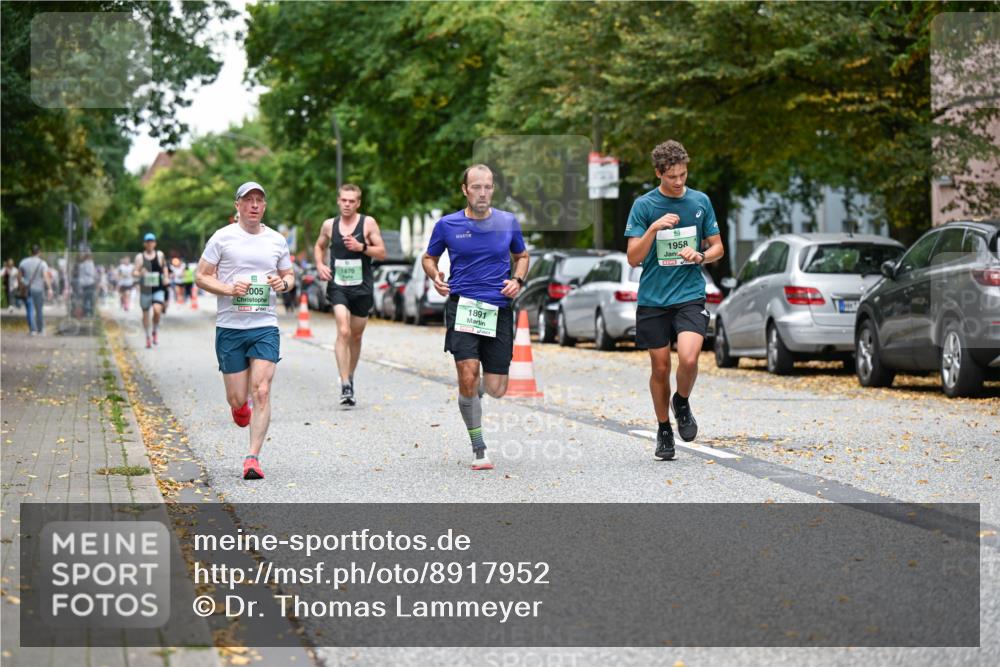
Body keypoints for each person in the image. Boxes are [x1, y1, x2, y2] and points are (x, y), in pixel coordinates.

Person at [423, 164, 529, 471]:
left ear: (493, 189)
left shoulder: (508, 222)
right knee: (467, 373)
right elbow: (428, 257)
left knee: (496, 388)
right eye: (477, 187)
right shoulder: (447, 224)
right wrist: (435, 276)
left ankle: (475, 392)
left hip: (498, 309)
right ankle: (478, 445)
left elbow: (521, 256)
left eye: (488, 187)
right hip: (463, 307)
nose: (483, 193)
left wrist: (517, 280)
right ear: (465, 189)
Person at [625, 140, 724, 461]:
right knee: (660, 366)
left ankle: (681, 401)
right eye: (672, 177)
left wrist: (701, 255)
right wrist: (653, 228)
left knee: (690, 358)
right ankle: (664, 428)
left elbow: (718, 248)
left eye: (683, 175)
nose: (679, 182)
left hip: (689, 294)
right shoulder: (644, 206)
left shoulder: (700, 201)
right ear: (659, 173)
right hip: (654, 298)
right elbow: (632, 258)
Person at [195, 181, 294, 480]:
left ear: (264, 207)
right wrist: (228, 288)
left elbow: (288, 274)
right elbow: (201, 276)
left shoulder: (277, 240)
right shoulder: (222, 238)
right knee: (238, 399)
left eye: (259, 200)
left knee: (261, 390)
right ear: (237, 205)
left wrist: (284, 283)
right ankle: (241, 410)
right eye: (248, 200)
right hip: (231, 327)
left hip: (265, 325)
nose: (254, 205)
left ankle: (252, 458)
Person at [313, 183, 386, 407]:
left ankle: (350, 376)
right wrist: (319, 264)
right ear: (338, 201)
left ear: (358, 203)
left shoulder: (368, 223)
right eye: (344, 200)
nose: (347, 204)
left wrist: (361, 247)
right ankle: (344, 383)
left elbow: (382, 252)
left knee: (355, 336)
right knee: (343, 330)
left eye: (351, 201)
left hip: (362, 287)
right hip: (339, 286)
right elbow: (319, 246)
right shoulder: (329, 225)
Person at [134, 233, 170, 349]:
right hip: (145, 290)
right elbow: (134, 272)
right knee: (145, 314)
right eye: (148, 242)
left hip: (158, 288)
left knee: (157, 310)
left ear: (155, 243)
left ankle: (154, 330)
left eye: (152, 241)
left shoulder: (160, 255)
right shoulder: (140, 257)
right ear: (144, 244)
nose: (150, 244)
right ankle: (147, 337)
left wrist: (166, 277)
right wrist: (140, 273)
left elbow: (164, 267)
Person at [18, 245, 54, 335]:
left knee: (30, 309)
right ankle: (40, 329)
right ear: (39, 252)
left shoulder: (23, 262)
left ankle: (33, 330)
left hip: (27, 289)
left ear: (31, 252)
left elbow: (19, 276)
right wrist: (49, 288)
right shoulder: (42, 263)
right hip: (39, 289)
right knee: (39, 310)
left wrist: (22, 285)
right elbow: (45, 276)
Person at [77, 252, 97, 317]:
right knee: (90, 299)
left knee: (85, 299)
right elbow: (91, 273)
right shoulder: (89, 263)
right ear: (89, 257)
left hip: (83, 283)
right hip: (90, 282)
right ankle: (90, 313)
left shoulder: (81, 264)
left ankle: (85, 312)